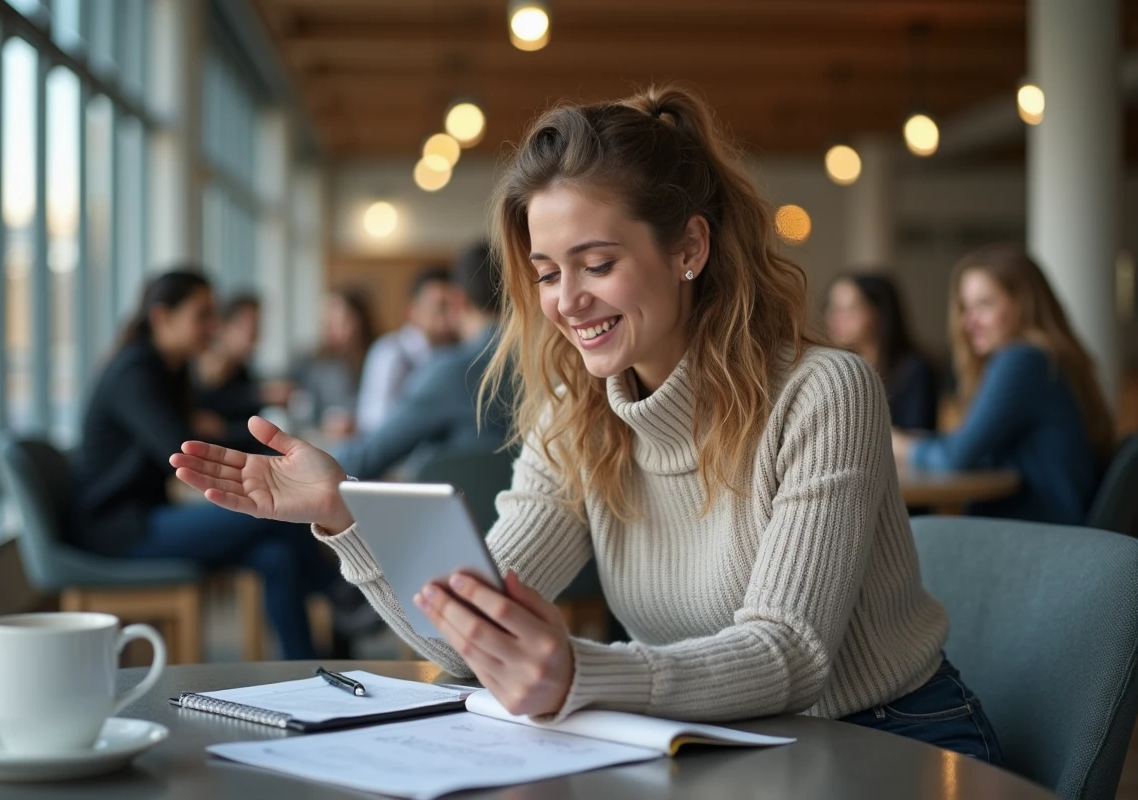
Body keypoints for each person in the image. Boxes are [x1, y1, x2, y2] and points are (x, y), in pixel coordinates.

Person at [172, 86, 1001, 764]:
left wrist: (578, 671)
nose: (566, 302)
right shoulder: (578, 415)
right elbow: (471, 642)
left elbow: (789, 654)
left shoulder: (824, 392)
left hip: (893, 741)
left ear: (688, 249)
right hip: (726, 748)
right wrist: (343, 516)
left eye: (597, 264)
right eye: (546, 273)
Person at [71, 269, 334, 659]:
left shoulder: (167, 369)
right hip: (119, 529)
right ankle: (342, 595)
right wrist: (270, 443)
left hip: (148, 515)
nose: (214, 326)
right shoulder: (135, 371)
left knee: (279, 557)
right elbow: (182, 447)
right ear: (163, 316)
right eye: (203, 315)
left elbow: (211, 414)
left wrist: (265, 428)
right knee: (279, 516)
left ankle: (309, 666)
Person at [893, 244, 1112, 524]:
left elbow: (955, 458)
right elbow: (967, 449)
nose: (967, 322)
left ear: (1025, 304)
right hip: (1053, 529)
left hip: (1041, 533)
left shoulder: (1023, 360)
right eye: (964, 307)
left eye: (984, 304)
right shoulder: (1049, 358)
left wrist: (898, 444)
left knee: (916, 535)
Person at [330, 241, 509, 479]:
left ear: (458, 300)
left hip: (458, 513)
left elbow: (365, 458)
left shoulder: (454, 371)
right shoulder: (548, 363)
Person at [826, 273, 938, 431]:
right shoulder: (840, 369)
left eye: (849, 309)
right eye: (833, 308)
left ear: (876, 313)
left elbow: (917, 439)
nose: (834, 318)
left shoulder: (914, 370)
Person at [356, 267, 458, 434]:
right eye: (440, 307)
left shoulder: (456, 352)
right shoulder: (391, 353)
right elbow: (376, 424)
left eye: (454, 308)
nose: (449, 319)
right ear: (412, 311)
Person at [195, 294, 291, 442]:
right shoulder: (203, 371)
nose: (257, 335)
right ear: (225, 327)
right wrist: (260, 396)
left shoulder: (241, 371)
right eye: (252, 326)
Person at [292, 288, 376, 436]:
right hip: (326, 440)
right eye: (326, 320)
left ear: (358, 320)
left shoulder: (378, 356)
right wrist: (324, 424)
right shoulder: (313, 362)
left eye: (338, 320)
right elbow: (303, 412)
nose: (330, 326)